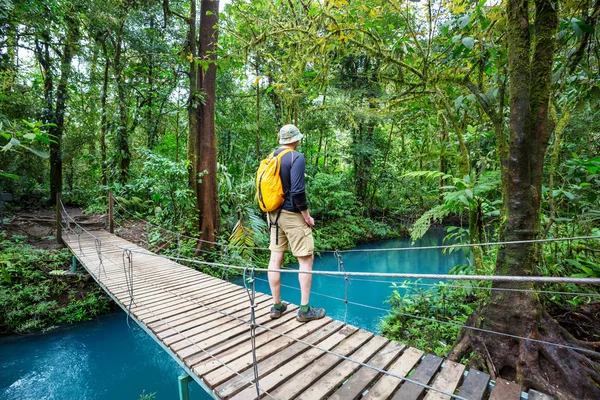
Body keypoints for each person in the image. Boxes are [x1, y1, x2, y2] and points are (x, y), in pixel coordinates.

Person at [267, 124, 326, 322]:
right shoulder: (296, 157)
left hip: (273, 214)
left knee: (275, 259)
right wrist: (307, 216)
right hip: (292, 214)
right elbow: (298, 191)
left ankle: (276, 307)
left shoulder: (272, 157)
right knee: (305, 260)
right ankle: (304, 310)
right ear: (295, 139)